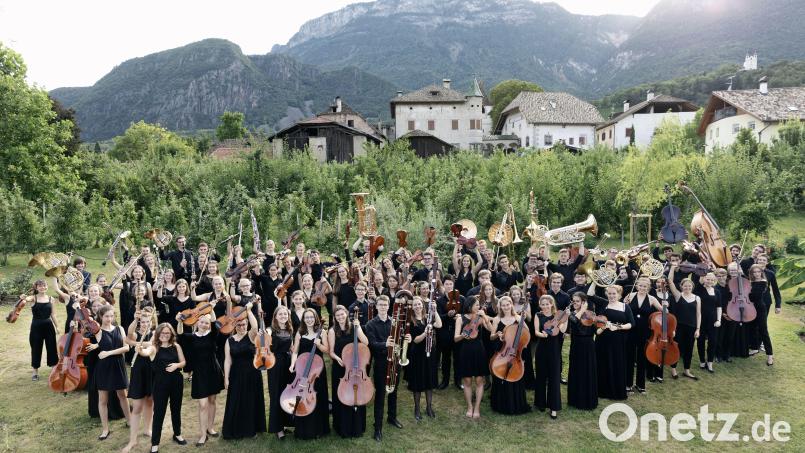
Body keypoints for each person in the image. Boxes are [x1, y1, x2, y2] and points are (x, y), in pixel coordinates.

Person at [177, 313, 224, 446]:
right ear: (197, 323)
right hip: (199, 373)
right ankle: (203, 434)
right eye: (202, 322)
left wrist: (211, 309)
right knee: (203, 404)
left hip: (213, 371)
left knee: (212, 400)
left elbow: (215, 324)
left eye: (206, 323)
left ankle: (210, 427)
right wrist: (180, 322)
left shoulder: (212, 335)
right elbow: (180, 335)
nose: (204, 325)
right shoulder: (191, 337)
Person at [222, 303, 267, 439]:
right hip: (236, 374)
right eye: (239, 325)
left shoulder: (251, 336)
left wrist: (248, 310)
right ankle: (236, 428)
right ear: (235, 326)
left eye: (244, 324)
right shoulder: (229, 341)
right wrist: (226, 378)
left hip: (252, 373)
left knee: (251, 400)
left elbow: (255, 326)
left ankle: (252, 429)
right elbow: (227, 360)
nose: (242, 327)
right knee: (236, 400)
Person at [88, 305, 131, 441]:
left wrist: (108, 353)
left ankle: (130, 421)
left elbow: (126, 348)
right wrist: (77, 305)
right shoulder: (98, 331)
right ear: (101, 316)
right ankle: (105, 429)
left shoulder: (120, 329)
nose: (109, 319)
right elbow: (84, 320)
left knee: (123, 395)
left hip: (118, 365)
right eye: (106, 316)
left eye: (111, 316)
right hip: (104, 368)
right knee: (103, 400)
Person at [365, 294, 404, 442]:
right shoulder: (370, 324)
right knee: (380, 395)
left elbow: (398, 340)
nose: (382, 307)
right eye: (380, 305)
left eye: (385, 305)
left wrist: (403, 340)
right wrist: (384, 344)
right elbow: (371, 344)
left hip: (394, 362)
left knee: (393, 391)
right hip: (381, 363)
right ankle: (378, 428)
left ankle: (392, 418)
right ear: (376, 306)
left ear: (388, 306)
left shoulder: (394, 322)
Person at [144, 323, 187, 452]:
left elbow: (183, 362)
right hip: (160, 384)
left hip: (176, 382)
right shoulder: (154, 348)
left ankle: (177, 434)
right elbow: (145, 352)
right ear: (158, 334)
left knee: (176, 409)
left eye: (167, 333)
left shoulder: (176, 346)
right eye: (162, 333)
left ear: (171, 334)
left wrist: (176, 365)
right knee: (159, 413)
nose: (165, 335)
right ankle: (155, 443)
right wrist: (140, 350)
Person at [329, 305, 369, 437]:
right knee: (342, 395)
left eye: (342, 314)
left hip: (355, 367)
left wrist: (358, 328)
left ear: (346, 314)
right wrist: (337, 358)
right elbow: (331, 352)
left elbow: (366, 342)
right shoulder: (332, 330)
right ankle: (342, 427)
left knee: (357, 394)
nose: (340, 317)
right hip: (340, 368)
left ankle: (357, 426)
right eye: (337, 315)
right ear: (335, 317)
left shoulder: (354, 327)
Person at [289, 308, 330, 439]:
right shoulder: (300, 333)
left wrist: (319, 345)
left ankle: (319, 429)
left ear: (315, 318)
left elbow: (327, 350)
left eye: (311, 317)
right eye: (306, 317)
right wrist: (292, 364)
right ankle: (304, 429)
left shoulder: (322, 332)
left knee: (319, 396)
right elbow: (295, 352)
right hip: (303, 370)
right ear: (303, 319)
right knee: (303, 397)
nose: (309, 320)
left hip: (317, 371)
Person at [122, 307, 156, 453]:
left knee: (150, 402)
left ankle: (147, 429)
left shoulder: (154, 333)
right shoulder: (136, 334)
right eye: (142, 321)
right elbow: (127, 336)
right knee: (137, 407)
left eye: (147, 321)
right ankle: (133, 440)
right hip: (138, 372)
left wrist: (140, 345)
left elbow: (154, 345)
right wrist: (135, 320)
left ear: (151, 322)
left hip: (152, 371)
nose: (145, 324)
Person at [488, 296, 530, 415]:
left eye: (508, 304)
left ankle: (516, 404)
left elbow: (527, 334)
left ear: (511, 305)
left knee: (515, 376)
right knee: (499, 373)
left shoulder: (518, 318)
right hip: (503, 351)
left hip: (515, 353)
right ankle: (500, 405)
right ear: (500, 306)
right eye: (504, 305)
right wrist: (497, 334)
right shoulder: (497, 319)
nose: (506, 307)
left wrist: (523, 321)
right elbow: (491, 336)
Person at [454, 296, 492, 419]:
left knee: (480, 380)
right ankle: (470, 406)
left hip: (479, 350)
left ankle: (477, 408)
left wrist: (485, 316)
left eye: (479, 305)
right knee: (467, 381)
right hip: (465, 350)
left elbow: (492, 330)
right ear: (469, 305)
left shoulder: (480, 318)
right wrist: (463, 336)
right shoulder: (461, 318)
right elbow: (455, 338)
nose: (478, 307)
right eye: (476, 305)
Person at [593, 285, 634, 400]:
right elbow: (590, 294)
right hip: (603, 339)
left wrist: (618, 327)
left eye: (614, 294)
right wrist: (595, 281)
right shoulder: (603, 303)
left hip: (618, 340)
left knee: (616, 363)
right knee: (602, 363)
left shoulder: (625, 306)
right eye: (609, 293)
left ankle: (615, 391)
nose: (611, 296)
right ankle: (601, 391)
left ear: (619, 295)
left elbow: (631, 324)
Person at [406, 296, 442, 420]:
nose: (417, 306)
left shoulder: (428, 317)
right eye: (415, 305)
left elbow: (439, 324)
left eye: (419, 304)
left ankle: (429, 407)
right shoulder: (410, 321)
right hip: (417, 354)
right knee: (418, 381)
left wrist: (435, 310)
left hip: (430, 352)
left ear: (423, 305)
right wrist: (425, 333)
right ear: (412, 307)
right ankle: (417, 408)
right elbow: (415, 340)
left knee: (429, 380)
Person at [624, 277, 663, 393]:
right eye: (640, 286)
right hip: (630, 330)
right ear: (637, 286)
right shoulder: (630, 296)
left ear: (648, 288)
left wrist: (665, 306)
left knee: (642, 357)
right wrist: (624, 304)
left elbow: (664, 312)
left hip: (645, 332)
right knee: (630, 357)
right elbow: (622, 309)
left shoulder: (652, 299)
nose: (642, 288)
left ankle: (640, 385)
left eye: (645, 286)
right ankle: (628, 384)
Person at [533, 295, 565, 419]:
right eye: (543, 304)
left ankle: (554, 407)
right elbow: (536, 331)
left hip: (554, 349)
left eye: (547, 304)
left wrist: (565, 320)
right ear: (540, 305)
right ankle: (540, 402)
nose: (545, 306)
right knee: (541, 376)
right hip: (541, 348)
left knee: (554, 377)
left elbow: (562, 330)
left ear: (552, 304)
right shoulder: (538, 315)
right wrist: (542, 334)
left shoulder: (558, 316)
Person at [668, 267, 702, 380]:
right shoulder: (678, 295)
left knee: (689, 349)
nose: (687, 287)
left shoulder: (697, 298)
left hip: (691, 327)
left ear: (692, 287)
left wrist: (698, 329)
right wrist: (672, 268)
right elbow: (670, 281)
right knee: (677, 348)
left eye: (689, 286)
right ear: (681, 287)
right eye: (685, 286)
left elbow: (698, 314)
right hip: (679, 327)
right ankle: (673, 369)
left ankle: (687, 370)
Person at [567, 292, 597, 410]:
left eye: (578, 301)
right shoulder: (571, 313)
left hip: (588, 344)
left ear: (584, 302)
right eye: (573, 301)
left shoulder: (590, 314)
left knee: (587, 370)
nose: (575, 303)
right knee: (576, 370)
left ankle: (588, 399)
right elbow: (574, 320)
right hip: (576, 344)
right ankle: (575, 399)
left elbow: (595, 330)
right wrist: (582, 309)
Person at [23, 280, 58, 381]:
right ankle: (35, 372)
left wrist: (57, 327)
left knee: (52, 348)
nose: (43, 287)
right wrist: (24, 297)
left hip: (49, 326)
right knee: (36, 348)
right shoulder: (33, 298)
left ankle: (53, 370)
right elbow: (27, 299)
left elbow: (53, 314)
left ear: (47, 287)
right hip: (36, 327)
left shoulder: (51, 299)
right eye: (40, 286)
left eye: (44, 285)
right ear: (36, 288)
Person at [268, 306, 294, 439]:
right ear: (276, 316)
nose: (283, 316)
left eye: (285, 314)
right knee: (276, 394)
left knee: (287, 395)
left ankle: (285, 424)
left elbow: (291, 347)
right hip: (275, 365)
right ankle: (278, 428)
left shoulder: (290, 329)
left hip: (288, 364)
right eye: (280, 314)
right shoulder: (270, 330)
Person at [435, 276, 463, 390]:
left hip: (457, 333)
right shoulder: (439, 301)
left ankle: (458, 381)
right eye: (446, 284)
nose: (449, 286)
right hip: (445, 333)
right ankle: (445, 381)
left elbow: (466, 314)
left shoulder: (461, 298)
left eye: (451, 284)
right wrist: (448, 315)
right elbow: (438, 317)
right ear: (443, 285)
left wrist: (460, 317)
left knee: (458, 358)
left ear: (453, 285)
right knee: (446, 358)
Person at [747, 264, 775, 366]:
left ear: (761, 273)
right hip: (751, 308)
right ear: (752, 274)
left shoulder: (763, 282)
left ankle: (770, 356)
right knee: (752, 328)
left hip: (760, 309)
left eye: (758, 272)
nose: (757, 274)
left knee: (763, 331)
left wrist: (748, 292)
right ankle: (754, 348)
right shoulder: (751, 282)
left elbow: (755, 296)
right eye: (754, 272)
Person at [695, 272, 722, 373]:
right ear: (704, 279)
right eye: (707, 279)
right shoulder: (699, 289)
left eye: (711, 280)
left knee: (713, 341)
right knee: (700, 340)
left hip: (713, 320)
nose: (709, 281)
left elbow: (719, 307)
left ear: (714, 281)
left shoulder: (717, 292)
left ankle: (710, 362)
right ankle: (702, 361)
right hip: (701, 319)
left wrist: (719, 320)